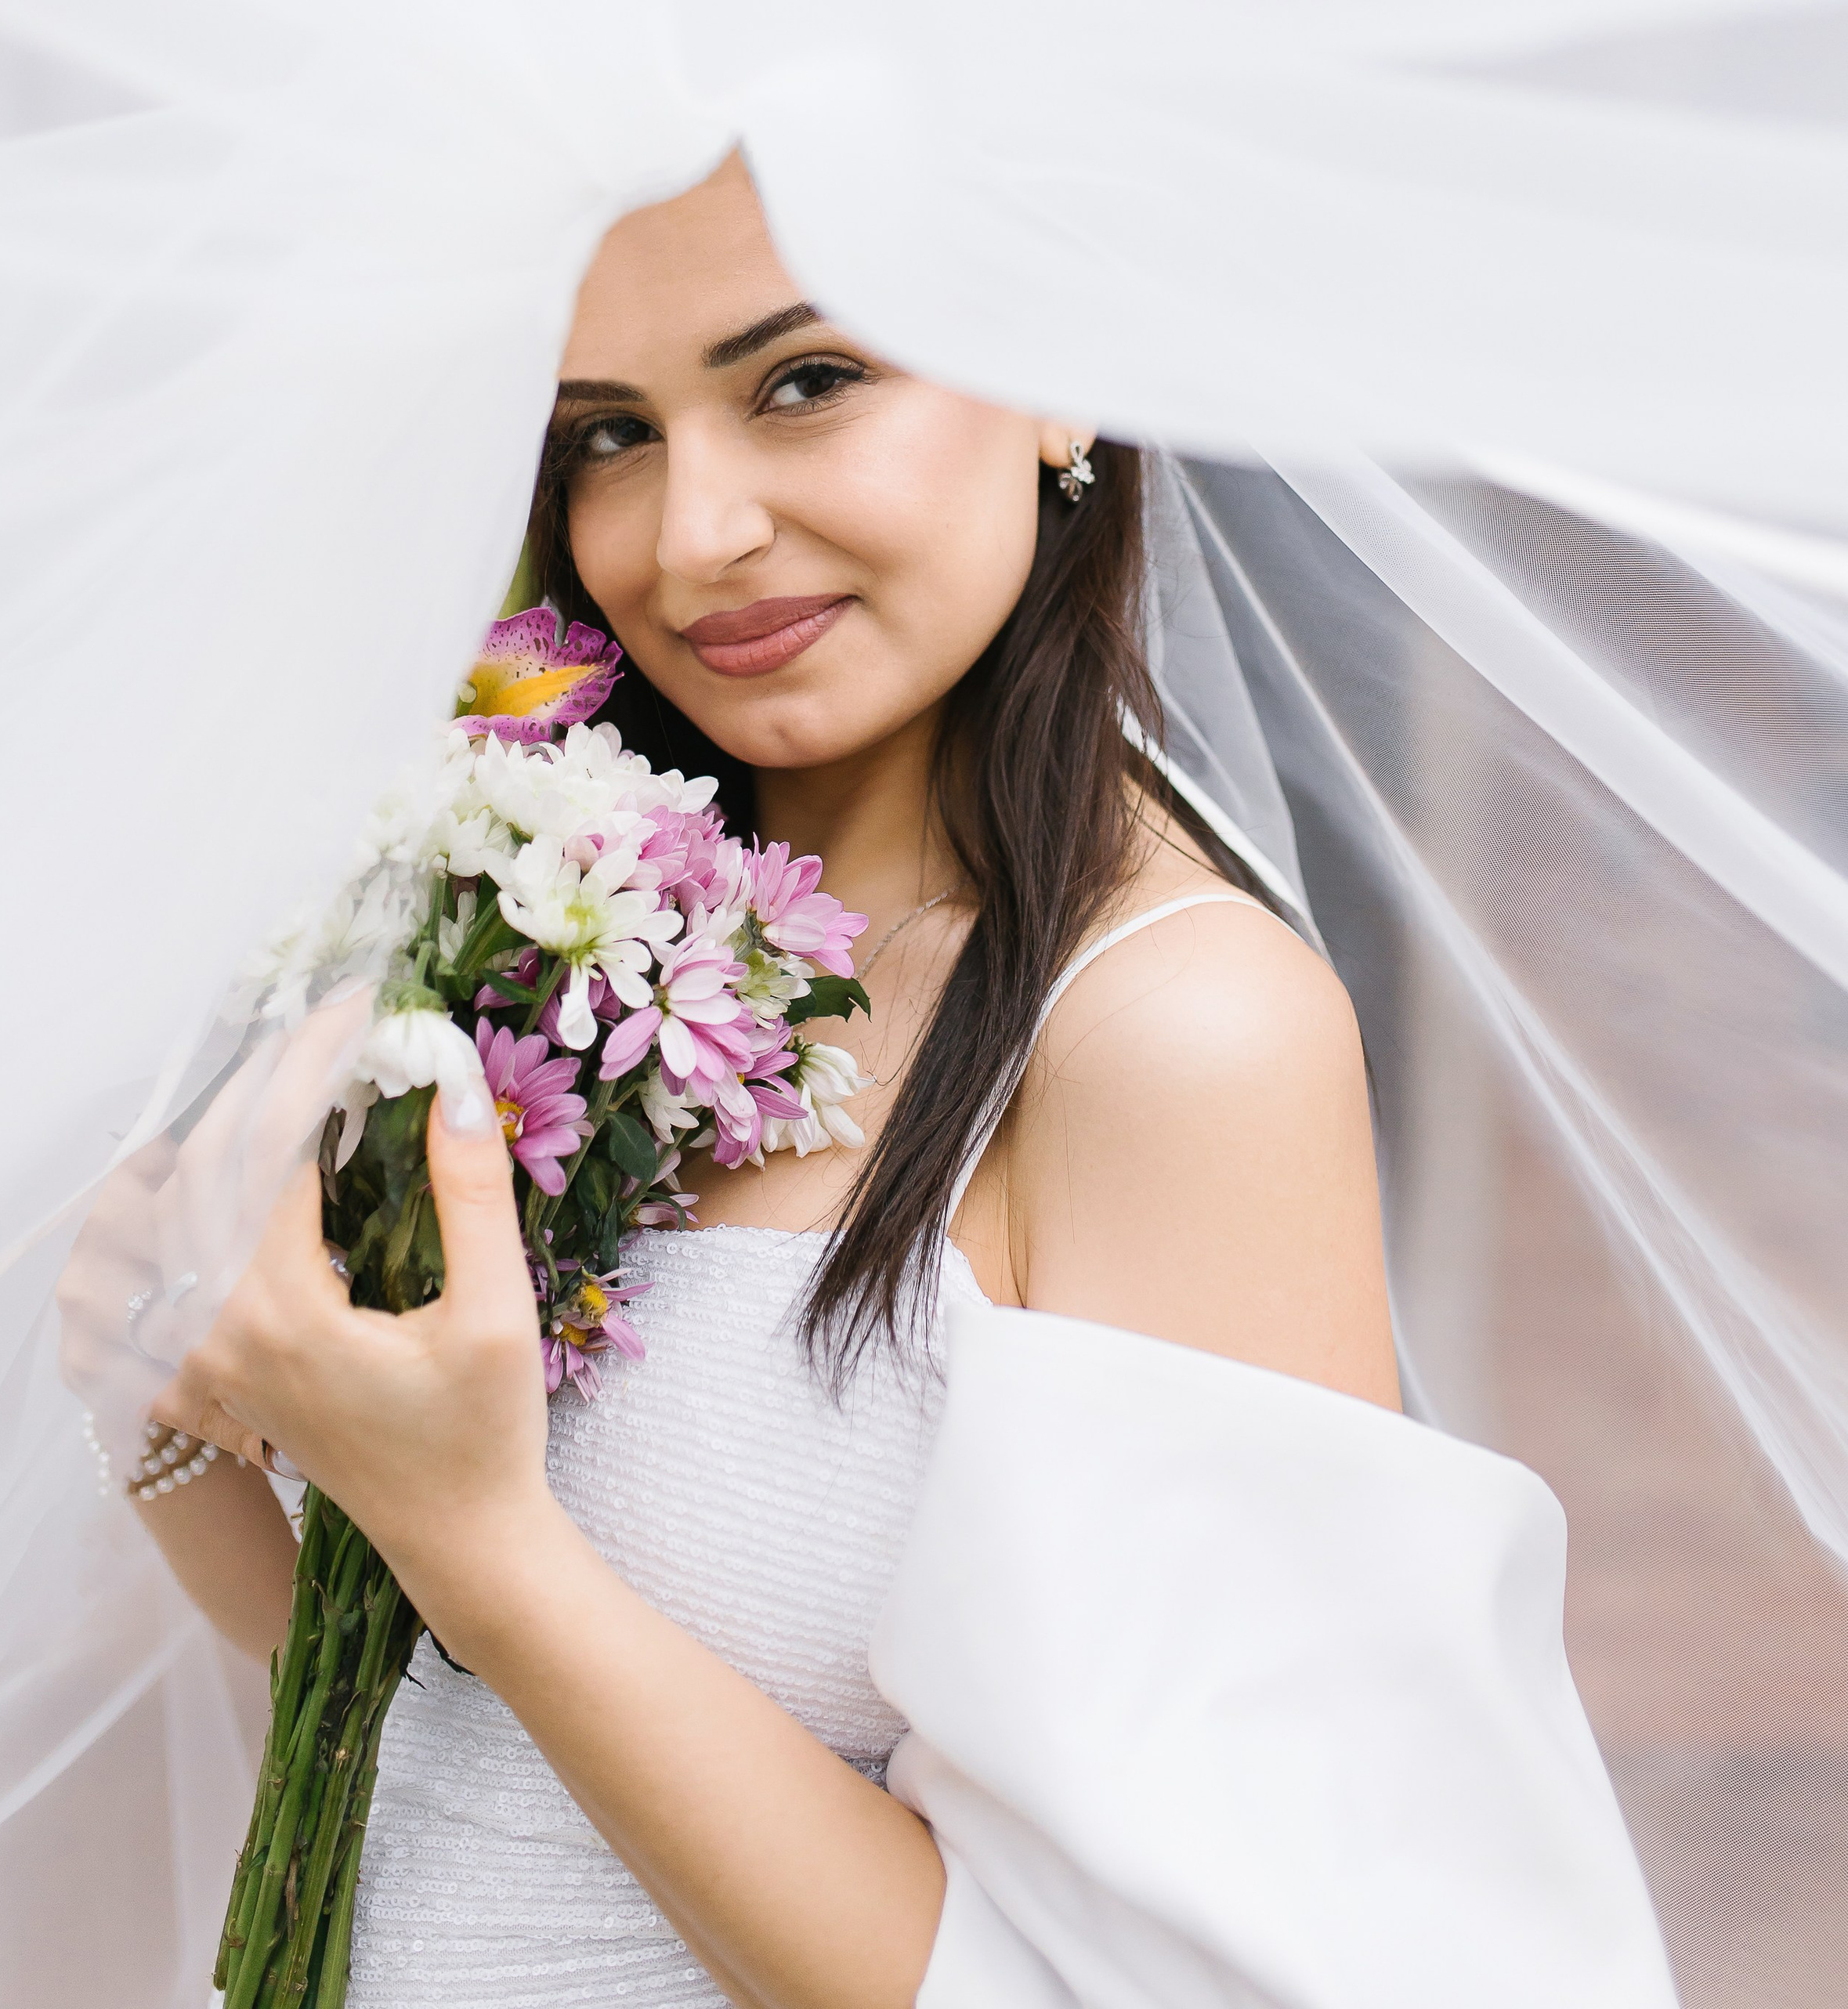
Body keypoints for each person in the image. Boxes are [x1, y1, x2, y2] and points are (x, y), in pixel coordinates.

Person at [116, 154, 1659, 2009]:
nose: (690, 536)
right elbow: (439, 1741)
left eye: (804, 380)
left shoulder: (1167, 1037)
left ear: (1054, 375)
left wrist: (484, 1539)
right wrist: (173, 1395)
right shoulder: (564, 931)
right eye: (605, 434)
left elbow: (1132, 1983)